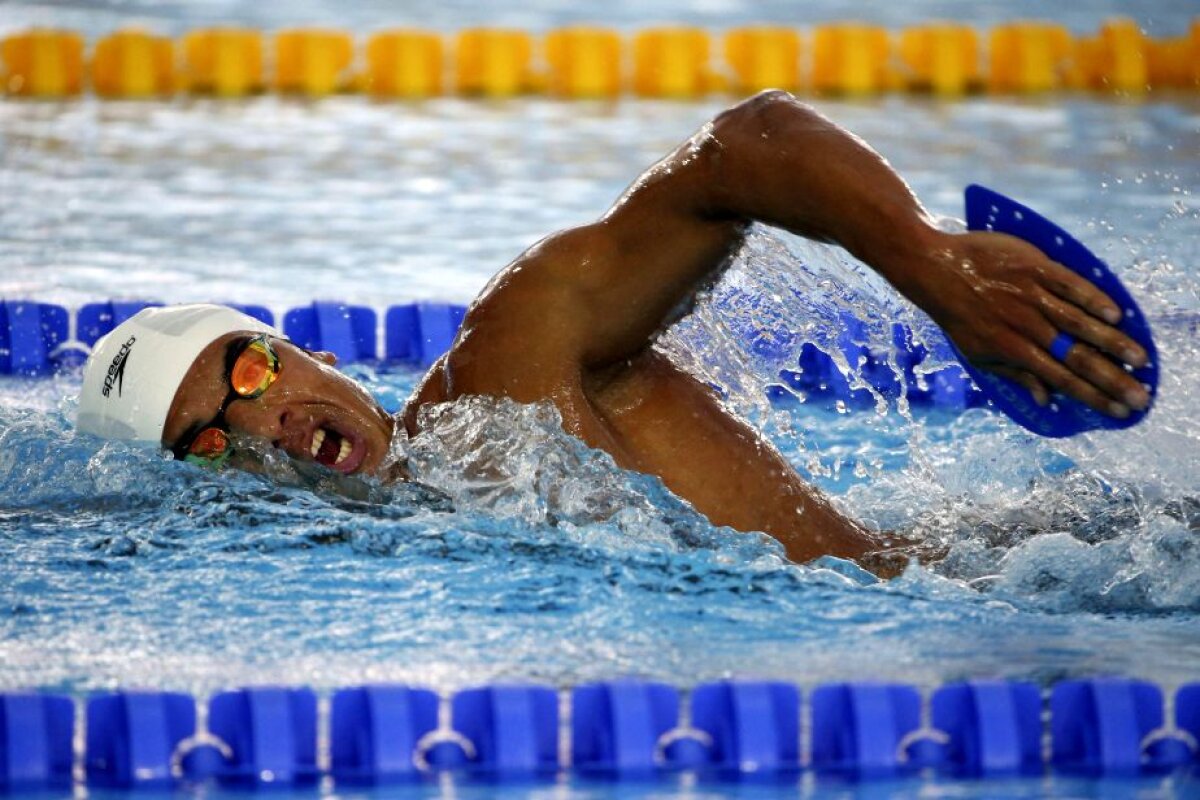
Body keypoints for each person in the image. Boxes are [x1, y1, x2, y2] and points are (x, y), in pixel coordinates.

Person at [76, 91, 1150, 568]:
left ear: (302, 350)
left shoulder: (507, 374)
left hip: (1013, 577)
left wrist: (928, 261)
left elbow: (746, 143)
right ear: (203, 495)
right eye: (213, 438)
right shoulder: (401, 557)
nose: (271, 421)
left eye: (252, 366)